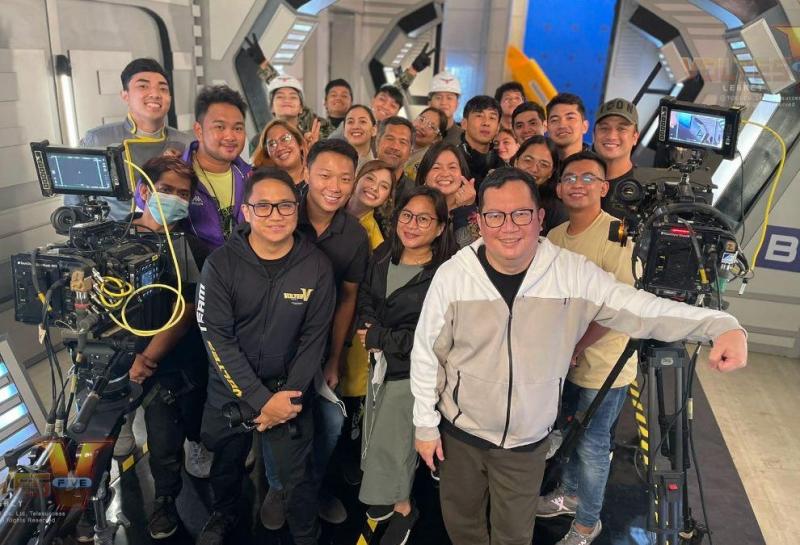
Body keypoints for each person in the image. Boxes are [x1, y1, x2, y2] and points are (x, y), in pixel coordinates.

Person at [410, 166, 747, 545]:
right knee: (463, 527)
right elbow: (427, 353)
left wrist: (719, 325)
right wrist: (425, 425)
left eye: (521, 214)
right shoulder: (454, 276)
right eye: (495, 216)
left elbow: (640, 309)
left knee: (514, 535)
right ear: (480, 221)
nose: (508, 227)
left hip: (526, 443)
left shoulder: (570, 274)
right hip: (461, 435)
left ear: (539, 218)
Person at [195, 168, 335, 545]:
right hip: (230, 386)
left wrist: (286, 400)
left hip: (288, 389)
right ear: (246, 211)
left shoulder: (317, 267)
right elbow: (216, 338)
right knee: (226, 461)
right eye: (263, 206)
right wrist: (259, 400)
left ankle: (306, 534)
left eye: (285, 205)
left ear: (297, 209)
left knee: (298, 476)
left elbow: (314, 340)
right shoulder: (220, 265)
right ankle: (224, 514)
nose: (275, 215)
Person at [260, 139, 370, 528]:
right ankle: (278, 488)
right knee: (279, 422)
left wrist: (335, 358)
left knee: (329, 422)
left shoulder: (353, 235)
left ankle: (313, 485)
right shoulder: (280, 214)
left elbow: (348, 298)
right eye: (325, 175)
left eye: (345, 178)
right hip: (274, 346)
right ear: (306, 171)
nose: (334, 187)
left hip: (321, 347)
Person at [539, 150, 637, 544]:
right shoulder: (555, 237)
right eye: (570, 178)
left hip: (604, 363)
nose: (577, 185)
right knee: (572, 434)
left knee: (593, 444)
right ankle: (569, 494)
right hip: (566, 359)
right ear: (559, 188)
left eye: (587, 178)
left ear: (604, 187)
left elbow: (619, 306)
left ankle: (586, 523)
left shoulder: (618, 234)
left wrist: (578, 345)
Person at [355, 186, 456, 545]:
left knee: (396, 442)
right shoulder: (384, 254)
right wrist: (368, 327)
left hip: (414, 374)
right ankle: (388, 498)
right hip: (381, 365)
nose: (412, 225)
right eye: (407, 216)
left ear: (440, 227)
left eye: (424, 219)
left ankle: (402, 508)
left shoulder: (444, 275)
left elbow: (436, 336)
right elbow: (366, 297)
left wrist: (381, 338)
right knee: (378, 434)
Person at [126, 156, 209, 539]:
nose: (174, 198)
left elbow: (186, 311)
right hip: (121, 356)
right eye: (165, 190)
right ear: (145, 190)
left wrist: (147, 357)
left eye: (183, 194)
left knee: (167, 435)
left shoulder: (190, 247)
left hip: (172, 360)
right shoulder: (117, 238)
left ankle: (165, 498)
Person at [65, 57, 193, 220]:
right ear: (125, 95)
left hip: (172, 232)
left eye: (163, 88)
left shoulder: (186, 143)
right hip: (115, 233)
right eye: (143, 86)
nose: (155, 94)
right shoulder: (98, 140)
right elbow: (74, 202)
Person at [340, 160, 397, 485]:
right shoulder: (328, 209)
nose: (374, 187)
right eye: (370, 178)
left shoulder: (375, 238)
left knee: (348, 395)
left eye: (384, 185)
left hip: (350, 323)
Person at [416, 142, 479, 248]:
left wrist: (466, 209)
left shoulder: (478, 214)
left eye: (452, 167)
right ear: (424, 176)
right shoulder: (412, 209)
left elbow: (470, 251)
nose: (445, 173)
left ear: (462, 174)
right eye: (436, 168)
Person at [592, 98, 640, 217]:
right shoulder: (579, 182)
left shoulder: (645, 188)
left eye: (621, 129)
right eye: (604, 128)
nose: (611, 136)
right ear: (593, 136)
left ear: (635, 137)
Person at [513, 135, 568, 235]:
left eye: (544, 164)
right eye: (528, 160)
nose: (534, 169)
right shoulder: (494, 196)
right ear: (516, 162)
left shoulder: (557, 211)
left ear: (551, 173)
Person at [374, 117, 415, 236]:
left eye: (403, 142)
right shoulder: (357, 182)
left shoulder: (414, 194)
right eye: (389, 138)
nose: (395, 147)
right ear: (377, 142)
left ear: (411, 151)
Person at [252, 119, 308, 196]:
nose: (280, 148)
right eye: (272, 144)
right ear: (268, 154)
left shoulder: (318, 173)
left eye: (285, 139)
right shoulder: (266, 190)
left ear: (300, 143)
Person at [459, 95, 503, 188]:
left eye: (492, 118)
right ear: (464, 123)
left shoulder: (502, 167)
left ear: (498, 128)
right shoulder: (452, 159)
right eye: (479, 116)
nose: (486, 123)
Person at [406, 107, 447, 181]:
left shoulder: (430, 162)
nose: (422, 127)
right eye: (421, 120)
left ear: (437, 139)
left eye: (431, 126)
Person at [546, 93, 590, 159]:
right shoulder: (537, 163)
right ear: (547, 128)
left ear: (585, 126)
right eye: (554, 120)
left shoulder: (598, 164)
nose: (562, 125)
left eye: (570, 118)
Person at [428, 71, 464, 146]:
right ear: (429, 103)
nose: (443, 102)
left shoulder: (465, 138)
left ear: (457, 104)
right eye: (438, 97)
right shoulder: (418, 134)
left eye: (449, 98)